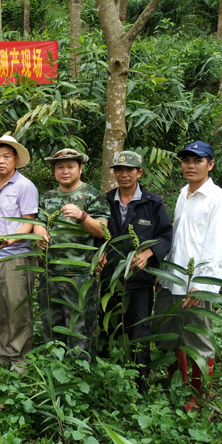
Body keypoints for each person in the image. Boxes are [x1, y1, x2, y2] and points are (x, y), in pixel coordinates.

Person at [154, 141, 222, 410]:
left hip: (195, 284)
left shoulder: (219, 200)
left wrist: (201, 285)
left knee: (198, 341)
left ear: (210, 165)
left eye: (198, 160)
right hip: (172, 279)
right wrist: (162, 271)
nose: (190, 165)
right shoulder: (183, 194)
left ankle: (197, 398)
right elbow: (177, 239)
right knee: (169, 336)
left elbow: (217, 246)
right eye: (186, 160)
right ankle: (176, 386)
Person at [98, 151, 173, 391]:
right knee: (107, 324)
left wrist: (147, 254)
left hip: (139, 280)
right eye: (119, 170)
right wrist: (98, 253)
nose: (124, 174)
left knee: (139, 328)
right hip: (110, 278)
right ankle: (109, 379)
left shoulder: (153, 202)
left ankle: (139, 383)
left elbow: (165, 236)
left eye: (129, 170)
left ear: (139, 173)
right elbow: (97, 232)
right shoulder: (106, 200)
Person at [34, 148, 109, 360]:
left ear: (81, 168)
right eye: (60, 167)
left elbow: (103, 230)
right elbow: (38, 223)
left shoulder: (93, 195)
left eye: (70, 166)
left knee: (79, 329)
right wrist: (40, 234)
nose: (65, 171)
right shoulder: (48, 197)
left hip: (80, 275)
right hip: (50, 273)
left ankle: (78, 376)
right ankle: (53, 372)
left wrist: (82, 216)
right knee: (51, 326)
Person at [0, 134, 39, 372]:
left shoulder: (25, 186)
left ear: (15, 159)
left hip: (17, 256)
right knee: (0, 310)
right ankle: (5, 354)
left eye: (5, 156)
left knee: (18, 310)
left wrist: (8, 240)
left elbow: (28, 223)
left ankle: (20, 359)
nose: (0, 161)